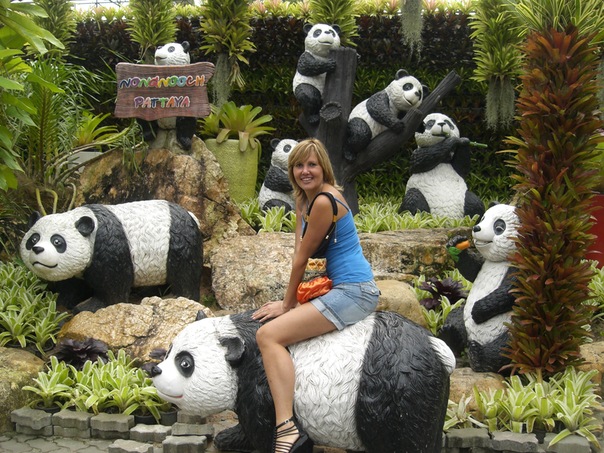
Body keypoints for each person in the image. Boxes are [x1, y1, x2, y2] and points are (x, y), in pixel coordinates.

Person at [252, 138, 379, 453]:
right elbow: (301, 248)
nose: (305, 171)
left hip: (354, 291)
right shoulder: (308, 201)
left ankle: (286, 428)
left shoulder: (324, 201)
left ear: (324, 168)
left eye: (312, 165)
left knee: (268, 336)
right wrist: (300, 210)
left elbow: (301, 260)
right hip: (343, 288)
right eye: (298, 165)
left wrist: (288, 305)